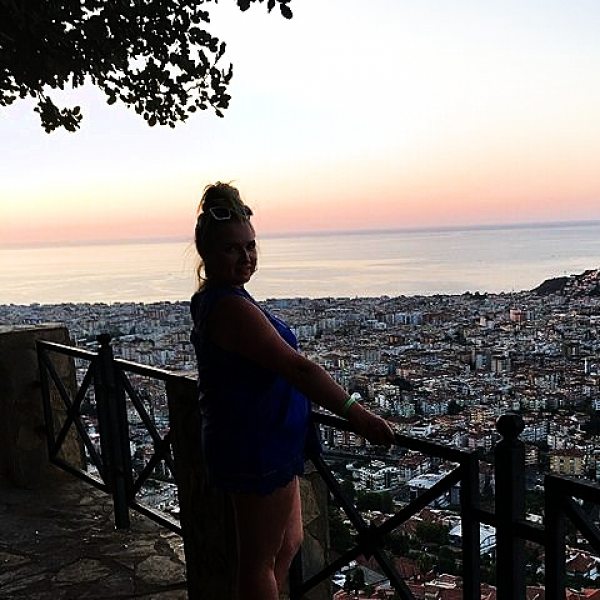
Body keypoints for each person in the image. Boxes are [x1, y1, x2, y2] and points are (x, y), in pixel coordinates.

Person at [190, 182, 395, 600]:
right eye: (232, 249)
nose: (246, 256)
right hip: (255, 444)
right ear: (207, 254)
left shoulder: (228, 297)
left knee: (288, 542)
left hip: (273, 440)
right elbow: (298, 368)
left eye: (250, 246)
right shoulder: (229, 306)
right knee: (258, 562)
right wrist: (357, 414)